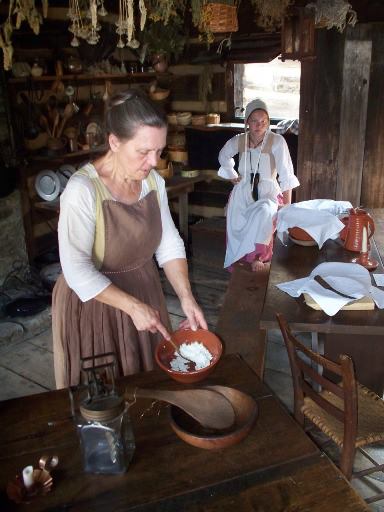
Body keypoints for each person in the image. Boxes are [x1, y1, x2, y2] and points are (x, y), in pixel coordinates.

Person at [52, 90, 207, 388]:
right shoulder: (82, 190)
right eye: (144, 151)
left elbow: (169, 244)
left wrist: (186, 297)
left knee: (146, 382)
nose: (154, 161)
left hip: (144, 289)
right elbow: (75, 269)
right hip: (95, 304)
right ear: (114, 142)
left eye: (159, 151)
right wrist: (131, 306)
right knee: (105, 392)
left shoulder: (153, 182)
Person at [218, 99, 300, 271]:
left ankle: (258, 257)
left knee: (264, 213)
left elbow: (286, 174)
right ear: (247, 121)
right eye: (254, 121)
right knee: (236, 217)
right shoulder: (239, 140)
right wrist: (232, 175)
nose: (259, 125)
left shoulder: (277, 142)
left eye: (264, 121)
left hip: (267, 190)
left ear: (268, 122)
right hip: (244, 189)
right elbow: (223, 156)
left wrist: (286, 205)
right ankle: (240, 256)